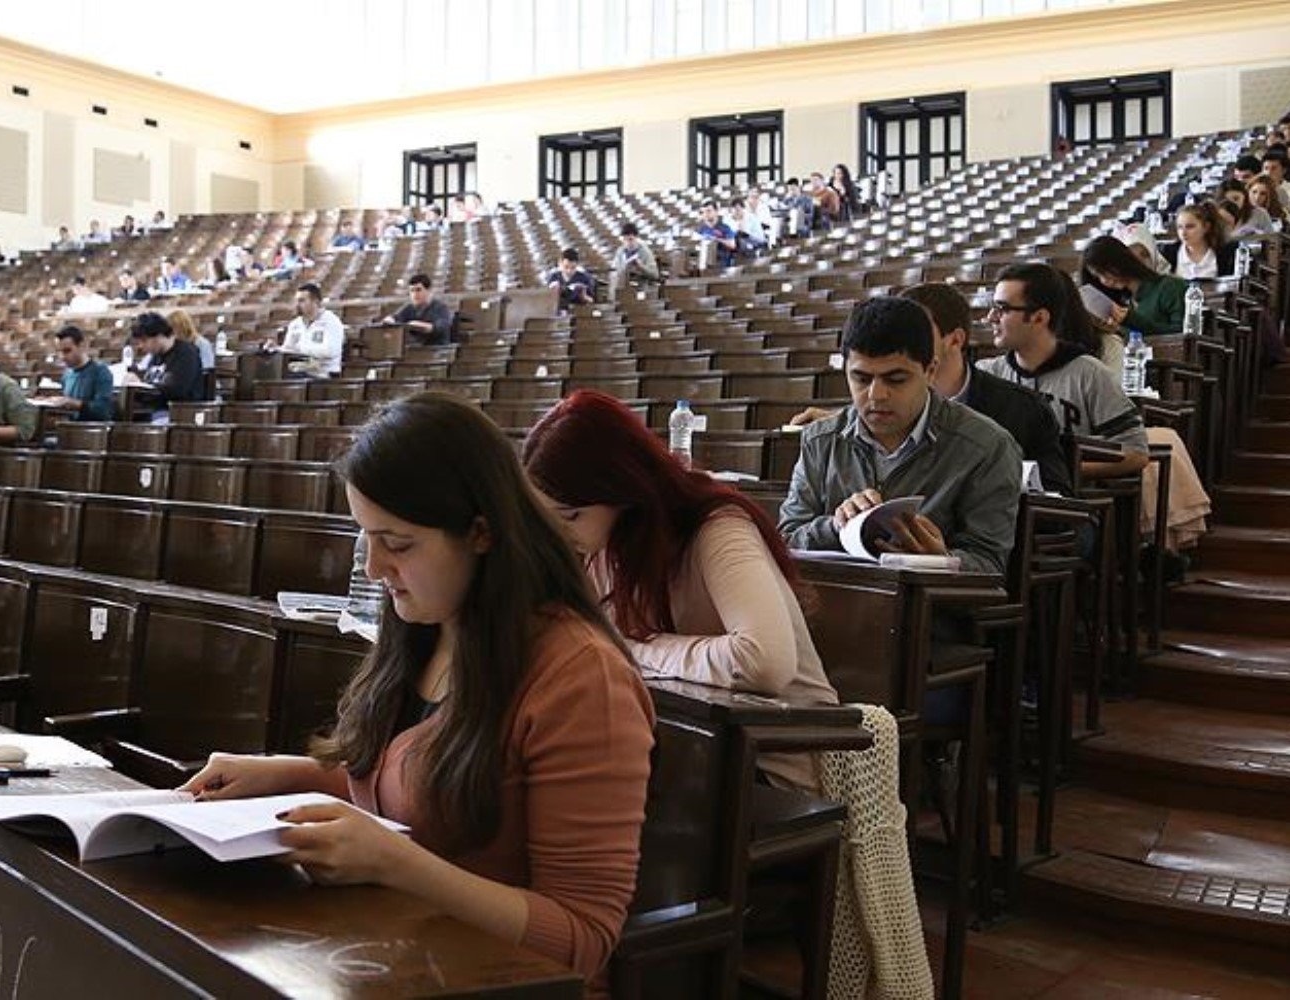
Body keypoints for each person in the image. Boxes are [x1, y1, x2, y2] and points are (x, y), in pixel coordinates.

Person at [177, 392, 653, 986]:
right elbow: (428, 786)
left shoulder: (583, 677)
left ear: (480, 533)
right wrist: (294, 772)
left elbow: (583, 939)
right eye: (366, 538)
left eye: (397, 543)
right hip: (396, 956)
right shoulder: (430, 623)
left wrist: (396, 863)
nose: (375, 568)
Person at [523, 390, 837, 791]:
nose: (559, 535)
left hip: (774, 762)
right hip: (688, 748)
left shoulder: (718, 528)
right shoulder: (600, 545)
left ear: (622, 489)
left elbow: (764, 662)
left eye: (570, 515)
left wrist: (635, 649)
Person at [779, 297, 1023, 576]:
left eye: (896, 380)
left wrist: (942, 561)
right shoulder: (819, 440)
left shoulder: (987, 447)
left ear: (930, 371)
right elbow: (785, 542)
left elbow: (991, 567)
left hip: (927, 613)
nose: (876, 395)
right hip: (834, 607)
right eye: (861, 378)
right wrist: (835, 526)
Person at [789, 284, 1074, 496]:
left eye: (916, 327)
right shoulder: (850, 422)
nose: (877, 394)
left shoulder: (1019, 412)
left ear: (952, 342)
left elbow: (1055, 510)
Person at [978, 263, 1149, 482]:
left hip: (1066, 506)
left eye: (1003, 309)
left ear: (1039, 318)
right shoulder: (986, 374)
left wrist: (1057, 472)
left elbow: (1136, 452)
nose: (991, 317)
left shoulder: (1089, 374)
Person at [126, 311, 204, 415]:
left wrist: (143, 388)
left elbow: (177, 390)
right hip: (154, 410)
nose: (141, 346)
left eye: (144, 340)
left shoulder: (186, 353)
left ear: (159, 336)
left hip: (178, 413)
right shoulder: (156, 356)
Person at [267, 282, 344, 377]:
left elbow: (330, 351)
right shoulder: (295, 324)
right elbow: (288, 350)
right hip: (300, 369)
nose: (297, 305)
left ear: (315, 302)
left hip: (324, 374)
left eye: (301, 301)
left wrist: (300, 349)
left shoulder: (331, 322)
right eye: (296, 301)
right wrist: (276, 349)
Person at [48, 326, 116, 421]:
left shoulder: (100, 372)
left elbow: (104, 411)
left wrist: (75, 404)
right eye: (59, 352)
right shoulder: (67, 375)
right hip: (70, 429)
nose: (62, 356)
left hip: (92, 431)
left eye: (67, 351)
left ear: (82, 346)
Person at [1160, 201, 1236, 280]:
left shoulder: (1227, 253)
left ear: (1206, 227)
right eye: (1180, 227)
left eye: (1190, 227)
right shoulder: (1168, 253)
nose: (1183, 233)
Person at [382, 273, 455, 346]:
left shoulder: (440, 308)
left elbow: (439, 327)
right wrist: (390, 320)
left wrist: (417, 325)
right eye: (412, 290)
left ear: (429, 291)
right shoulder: (409, 308)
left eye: (418, 290)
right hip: (415, 350)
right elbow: (396, 317)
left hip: (435, 350)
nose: (415, 294)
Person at [608, 223, 659, 293]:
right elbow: (615, 270)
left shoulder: (645, 252)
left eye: (631, 239)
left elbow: (655, 274)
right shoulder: (620, 252)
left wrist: (641, 267)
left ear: (636, 238)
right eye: (626, 239)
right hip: (624, 286)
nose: (629, 242)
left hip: (642, 287)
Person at [169, 308, 215, 374]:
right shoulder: (174, 343)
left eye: (173, 328)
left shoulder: (202, 343)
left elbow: (207, 369)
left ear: (182, 327)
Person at [695, 201, 738, 269]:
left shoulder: (725, 228)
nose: (706, 214)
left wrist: (716, 239)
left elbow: (732, 245)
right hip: (703, 258)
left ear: (716, 212)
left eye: (709, 211)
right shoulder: (700, 229)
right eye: (703, 212)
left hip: (720, 260)